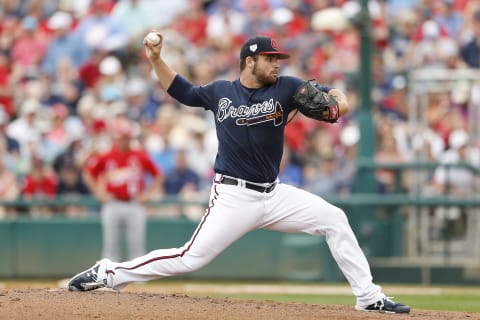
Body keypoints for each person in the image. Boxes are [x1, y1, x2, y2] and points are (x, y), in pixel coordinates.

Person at [67, 33, 411, 314]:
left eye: (278, 59)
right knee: (189, 258)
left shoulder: (286, 87)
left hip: (275, 195)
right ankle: (109, 272)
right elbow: (182, 91)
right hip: (233, 196)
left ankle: (367, 297)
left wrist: (337, 97)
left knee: (335, 218)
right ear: (250, 61)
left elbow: (335, 108)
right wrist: (157, 59)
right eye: (270, 58)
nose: (277, 64)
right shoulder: (221, 92)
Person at [82, 117, 163, 261]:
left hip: (134, 203)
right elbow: (88, 173)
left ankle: (138, 278)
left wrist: (148, 194)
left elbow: (158, 175)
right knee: (110, 247)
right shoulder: (107, 155)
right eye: (122, 138)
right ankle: (107, 277)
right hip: (113, 202)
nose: (125, 141)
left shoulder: (139, 155)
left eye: (127, 138)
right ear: (116, 138)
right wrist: (98, 192)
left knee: (137, 247)